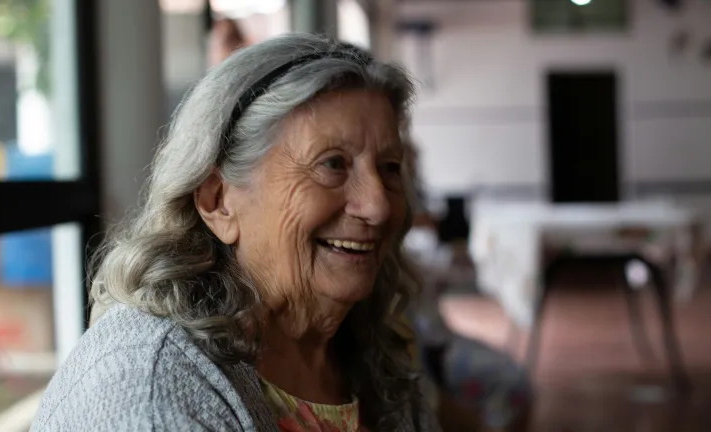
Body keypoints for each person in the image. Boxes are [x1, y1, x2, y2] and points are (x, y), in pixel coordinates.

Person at [31, 34, 440, 432]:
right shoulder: (151, 392)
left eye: (389, 168)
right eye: (333, 164)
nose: (378, 205)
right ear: (217, 201)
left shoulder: (367, 340)